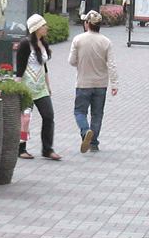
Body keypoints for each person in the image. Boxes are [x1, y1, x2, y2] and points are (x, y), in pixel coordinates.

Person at [68, 10, 119, 153]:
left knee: (79, 111)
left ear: (87, 24)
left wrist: (81, 62)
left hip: (83, 82)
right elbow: (112, 64)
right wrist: (114, 83)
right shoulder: (106, 42)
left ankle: (85, 131)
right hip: (101, 84)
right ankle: (93, 143)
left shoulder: (78, 39)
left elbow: (71, 61)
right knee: (97, 114)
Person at [15, 14, 60, 161]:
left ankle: (47, 149)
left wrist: (48, 85)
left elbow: (44, 66)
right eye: (43, 25)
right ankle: (21, 148)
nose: (46, 27)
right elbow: (19, 68)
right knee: (25, 118)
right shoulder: (25, 44)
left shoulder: (43, 44)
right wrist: (18, 87)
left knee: (49, 116)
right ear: (35, 28)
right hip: (27, 87)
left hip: (41, 88)